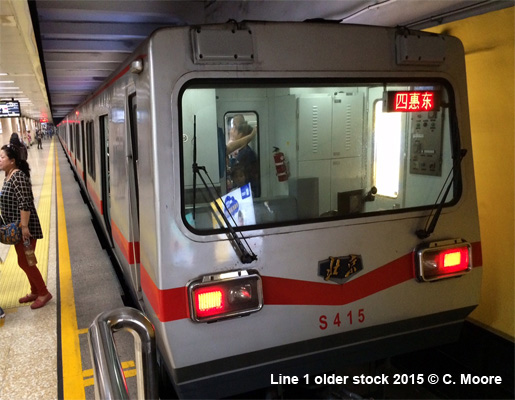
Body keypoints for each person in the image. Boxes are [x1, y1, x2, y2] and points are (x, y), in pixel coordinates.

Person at [0, 144, 52, 309]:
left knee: (26, 262)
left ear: (12, 161)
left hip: (24, 228)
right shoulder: (8, 176)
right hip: (14, 228)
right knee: (24, 260)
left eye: (2, 157)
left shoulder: (18, 176)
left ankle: (43, 293)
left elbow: (25, 202)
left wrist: (24, 228)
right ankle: (35, 290)